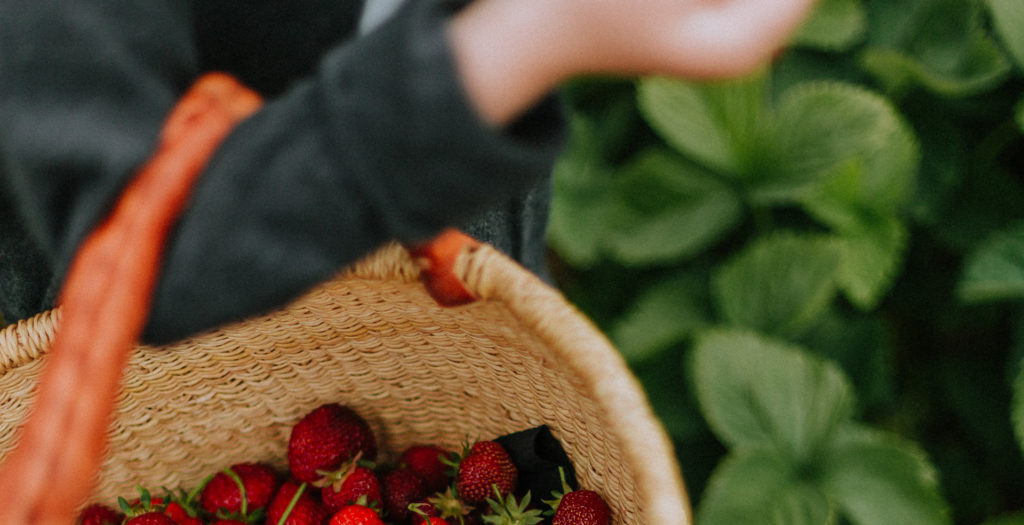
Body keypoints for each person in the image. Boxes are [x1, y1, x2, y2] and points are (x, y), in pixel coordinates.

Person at [0, 0, 816, 344]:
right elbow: (137, 256)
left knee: (480, 439)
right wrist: (526, 43)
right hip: (84, 314)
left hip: (448, 201)